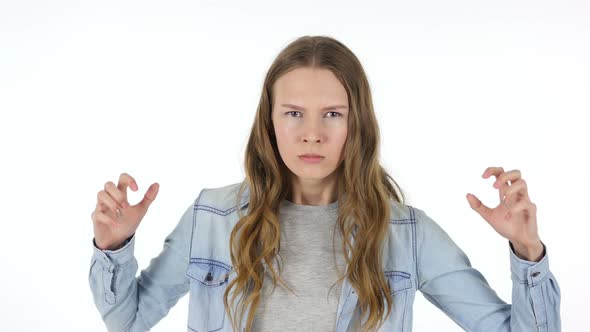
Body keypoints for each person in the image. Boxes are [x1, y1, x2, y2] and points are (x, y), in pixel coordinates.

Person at [88, 35, 561, 332]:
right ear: (269, 122)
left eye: (332, 114)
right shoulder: (211, 218)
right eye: (293, 113)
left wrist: (527, 251)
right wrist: (114, 246)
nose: (312, 132)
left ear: (357, 124)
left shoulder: (407, 234)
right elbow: (127, 320)